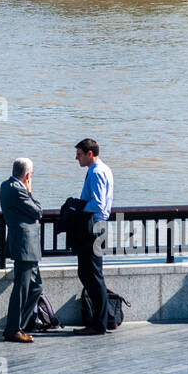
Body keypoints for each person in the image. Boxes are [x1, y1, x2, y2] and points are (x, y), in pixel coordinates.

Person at [73, 138, 114, 336]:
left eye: (79, 154)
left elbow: (97, 203)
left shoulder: (97, 172)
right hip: (99, 227)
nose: (76, 158)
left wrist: (78, 208)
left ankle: (100, 324)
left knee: (91, 275)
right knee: (92, 274)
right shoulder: (104, 169)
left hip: (94, 228)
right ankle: (108, 319)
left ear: (90, 154)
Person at [0, 157, 42, 343]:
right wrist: (30, 191)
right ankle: (14, 329)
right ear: (28, 175)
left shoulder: (5, 185)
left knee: (36, 287)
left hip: (25, 245)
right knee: (22, 289)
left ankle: (19, 325)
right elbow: (38, 211)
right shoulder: (19, 191)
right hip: (25, 245)